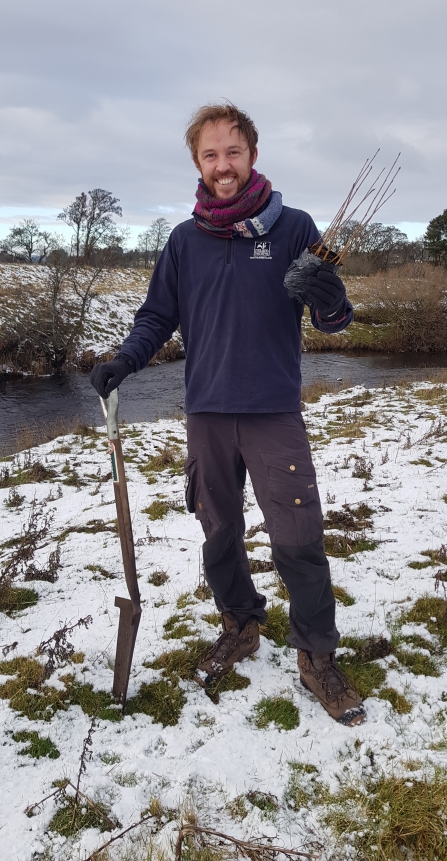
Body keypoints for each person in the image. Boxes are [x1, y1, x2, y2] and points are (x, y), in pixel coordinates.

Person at [90, 103, 365, 727]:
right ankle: (241, 622)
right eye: (210, 155)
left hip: (273, 412)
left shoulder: (294, 227)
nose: (223, 166)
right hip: (207, 413)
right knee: (219, 532)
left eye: (233, 153)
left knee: (298, 538)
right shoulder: (185, 240)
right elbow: (158, 318)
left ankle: (316, 655)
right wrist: (124, 361)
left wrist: (332, 297)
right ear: (198, 163)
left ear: (252, 156)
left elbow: (333, 319)